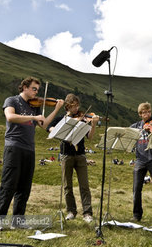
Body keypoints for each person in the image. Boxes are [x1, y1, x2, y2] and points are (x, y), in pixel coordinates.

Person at [0, 77, 64, 232]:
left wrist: (56, 109)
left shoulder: (35, 106)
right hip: (14, 146)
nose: (36, 93)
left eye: (38, 90)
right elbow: (10, 117)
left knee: (24, 187)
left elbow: (43, 125)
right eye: (34, 89)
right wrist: (33, 117)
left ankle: (18, 221)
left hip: (29, 149)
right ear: (24, 87)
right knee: (8, 185)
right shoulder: (12, 101)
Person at [47, 94, 99, 224]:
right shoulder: (61, 119)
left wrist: (93, 125)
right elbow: (49, 127)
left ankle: (87, 212)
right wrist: (56, 130)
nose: (76, 108)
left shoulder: (83, 119)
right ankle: (71, 211)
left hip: (80, 155)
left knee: (84, 185)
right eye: (73, 105)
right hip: (66, 154)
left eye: (77, 105)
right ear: (67, 106)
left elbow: (90, 137)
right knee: (67, 186)